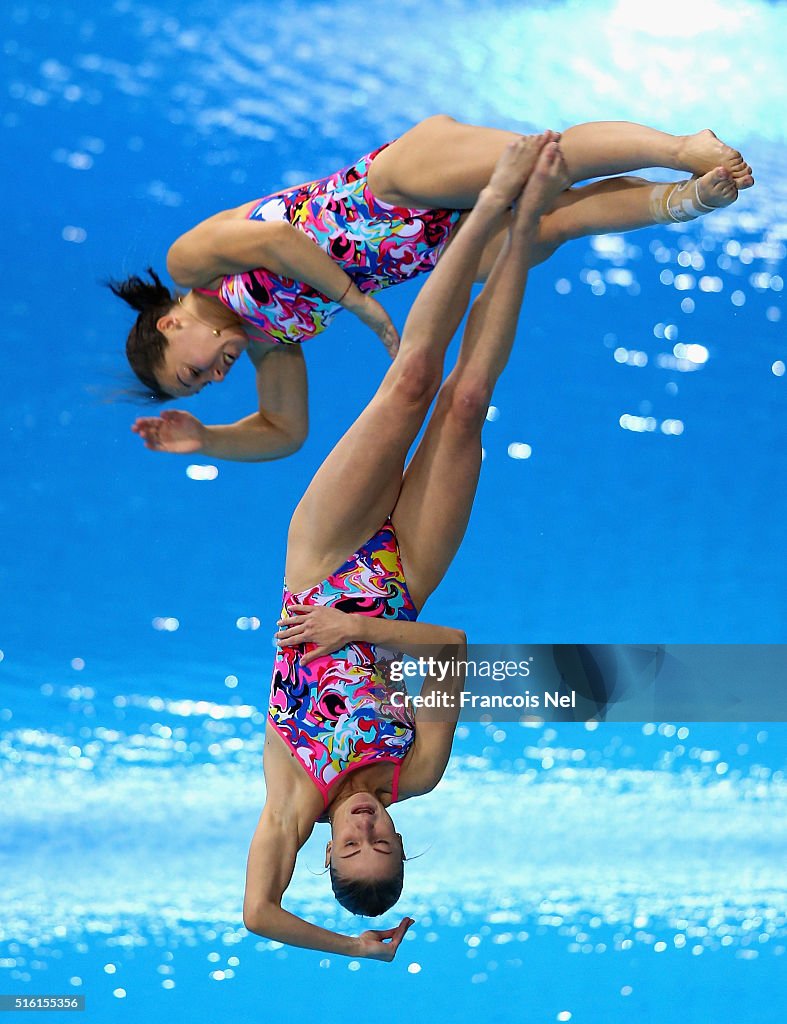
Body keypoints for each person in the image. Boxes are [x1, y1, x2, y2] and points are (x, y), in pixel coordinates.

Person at [242, 135, 581, 961]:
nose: (364, 829)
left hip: (322, 562)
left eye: (350, 847)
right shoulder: (416, 773)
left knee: (413, 384)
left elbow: (257, 915)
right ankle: (526, 215)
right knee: (466, 403)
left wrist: (359, 950)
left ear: (321, 853)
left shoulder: (293, 799)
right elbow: (452, 652)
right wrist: (361, 632)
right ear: (400, 838)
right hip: (402, 583)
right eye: (383, 844)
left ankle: (496, 192)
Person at [111, 116, 753, 462]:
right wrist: (209, 438)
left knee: (546, 164)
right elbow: (286, 430)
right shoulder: (269, 341)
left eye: (192, 374)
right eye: (203, 388)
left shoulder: (190, 265)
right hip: (430, 248)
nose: (214, 380)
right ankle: (691, 197)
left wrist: (359, 304)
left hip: (391, 184)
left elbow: (271, 243)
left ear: (170, 325)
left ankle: (682, 147)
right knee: (554, 223)